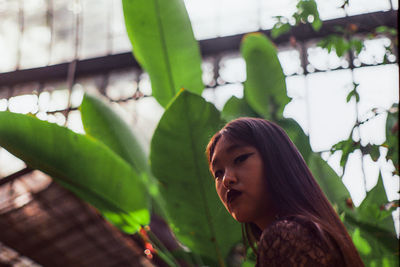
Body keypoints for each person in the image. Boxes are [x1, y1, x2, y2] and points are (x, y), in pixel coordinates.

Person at [206, 117, 364, 267]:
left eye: (240, 159)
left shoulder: (286, 237)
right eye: (218, 173)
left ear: (275, 159)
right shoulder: (311, 234)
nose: (226, 179)